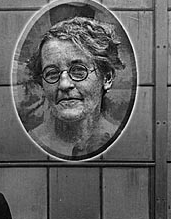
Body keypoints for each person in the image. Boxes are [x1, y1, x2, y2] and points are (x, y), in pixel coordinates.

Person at [26, 16, 125, 160]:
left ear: (107, 78)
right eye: (52, 73)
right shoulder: (28, 144)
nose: (64, 84)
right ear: (41, 83)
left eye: (78, 71)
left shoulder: (125, 143)